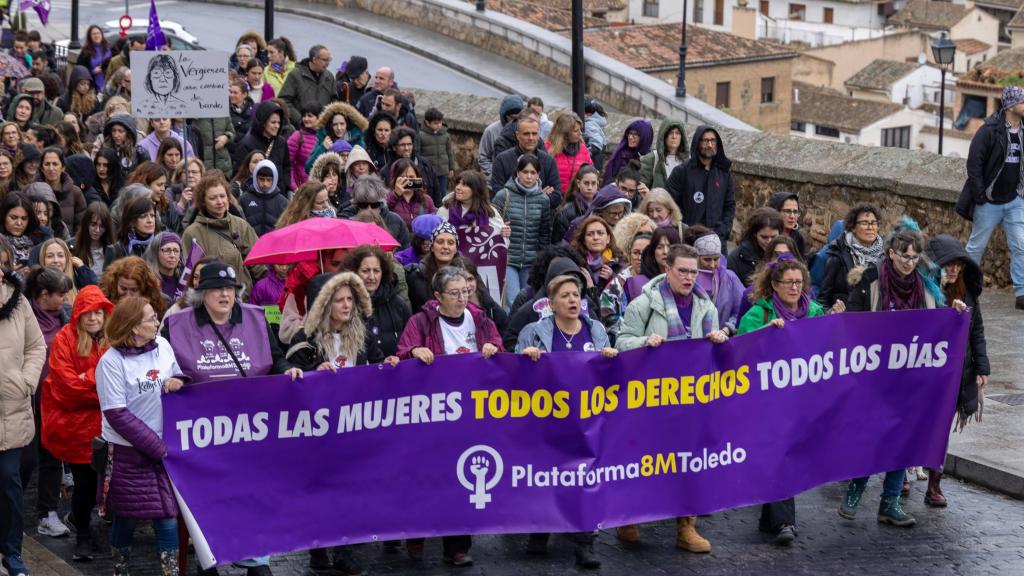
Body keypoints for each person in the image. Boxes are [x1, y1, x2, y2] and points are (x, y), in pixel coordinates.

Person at [615, 243, 726, 552]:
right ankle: (630, 516)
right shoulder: (643, 305)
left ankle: (686, 526)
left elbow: (712, 358)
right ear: (668, 269)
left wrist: (718, 342)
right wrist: (643, 342)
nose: (689, 278)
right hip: (650, 398)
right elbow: (621, 343)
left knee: (688, 461)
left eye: (694, 272)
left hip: (690, 399)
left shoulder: (708, 308)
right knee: (644, 459)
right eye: (683, 271)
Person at [839, 228, 952, 527]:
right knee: (872, 437)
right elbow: (853, 320)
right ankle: (856, 489)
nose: (909, 263)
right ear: (891, 253)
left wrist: (954, 314)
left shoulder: (925, 288)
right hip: (875, 376)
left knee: (904, 440)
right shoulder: (871, 280)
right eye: (904, 256)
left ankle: (890, 503)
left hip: (910, 379)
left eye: (914, 257)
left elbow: (937, 324)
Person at [396, 266, 504, 566]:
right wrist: (415, 352)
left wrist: (493, 348)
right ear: (438, 296)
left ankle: (456, 546)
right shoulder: (421, 321)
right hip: (432, 414)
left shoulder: (480, 319)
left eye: (465, 292)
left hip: (470, 413)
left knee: (460, 478)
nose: (461, 298)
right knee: (427, 476)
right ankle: (416, 535)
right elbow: (403, 351)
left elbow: (500, 351)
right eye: (454, 293)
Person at [736, 258, 838, 545]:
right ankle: (785, 522)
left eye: (798, 282)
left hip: (804, 401)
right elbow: (742, 352)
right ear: (774, 286)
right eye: (788, 283)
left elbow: (829, 348)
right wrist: (766, 335)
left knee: (783, 455)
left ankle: (769, 519)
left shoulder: (815, 312)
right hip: (768, 403)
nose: (794, 287)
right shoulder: (758, 314)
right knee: (782, 454)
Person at [516, 273, 614, 570]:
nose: (573, 300)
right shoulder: (534, 331)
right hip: (547, 420)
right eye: (566, 296)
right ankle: (539, 531)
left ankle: (585, 544)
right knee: (546, 477)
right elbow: (515, 375)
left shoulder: (596, 329)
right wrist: (526, 357)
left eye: (577, 295)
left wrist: (610, 357)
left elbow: (608, 376)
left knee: (585, 481)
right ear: (551, 303)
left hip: (586, 421)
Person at [95, 296, 185, 576]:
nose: (157, 321)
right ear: (134, 328)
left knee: (167, 515)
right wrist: (155, 446)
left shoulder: (163, 346)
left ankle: (169, 571)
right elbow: (117, 413)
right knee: (127, 516)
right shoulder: (110, 362)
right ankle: (120, 568)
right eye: (151, 318)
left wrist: (178, 381)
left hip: (163, 447)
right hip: (127, 453)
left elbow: (179, 374)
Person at [40, 285, 112, 561]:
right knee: (84, 485)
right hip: (76, 429)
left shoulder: (113, 338)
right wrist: (102, 382)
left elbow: (120, 385)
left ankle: (84, 523)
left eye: (98, 313)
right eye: (87, 313)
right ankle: (83, 532)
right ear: (78, 314)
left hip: (106, 426)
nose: (93, 318)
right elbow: (68, 389)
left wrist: (87, 378)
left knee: (100, 486)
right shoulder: (64, 339)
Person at [926, 234, 990, 506]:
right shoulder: (926, 290)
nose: (953, 270)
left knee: (940, 430)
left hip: (957, 372)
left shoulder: (969, 292)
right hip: (927, 373)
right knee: (920, 425)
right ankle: (900, 478)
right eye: (948, 264)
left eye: (958, 265)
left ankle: (934, 483)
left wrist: (982, 366)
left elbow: (976, 329)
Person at [957, 85, 1024, 309]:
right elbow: (973, 164)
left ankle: (1022, 293)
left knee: (1020, 245)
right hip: (989, 201)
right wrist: (980, 196)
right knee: (976, 247)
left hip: (1015, 199)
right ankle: (965, 288)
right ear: (1011, 105)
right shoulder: (989, 131)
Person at [0, 263, 47, 576]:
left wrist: (26, 380)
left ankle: (11, 552)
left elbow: (36, 346)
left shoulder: (17, 299)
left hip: (11, 409)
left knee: (9, 483)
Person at [22, 267, 73, 540]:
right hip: (27, 401)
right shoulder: (22, 316)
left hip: (56, 402)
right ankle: (11, 509)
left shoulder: (65, 318)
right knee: (25, 460)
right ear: (43, 295)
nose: (65, 299)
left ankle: (47, 514)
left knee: (53, 458)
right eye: (61, 294)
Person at [182, 171, 263, 299]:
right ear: (203, 201)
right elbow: (190, 275)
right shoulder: (192, 233)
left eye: (222, 196)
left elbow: (259, 262)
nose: (219, 201)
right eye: (213, 198)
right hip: (208, 301)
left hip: (242, 299)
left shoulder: (241, 225)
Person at [492, 154, 552, 309]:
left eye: (533, 173)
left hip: (531, 260)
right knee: (511, 301)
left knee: (527, 303)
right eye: (525, 172)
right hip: (508, 258)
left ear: (538, 174)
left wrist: (541, 260)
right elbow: (490, 224)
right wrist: (501, 229)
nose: (529, 176)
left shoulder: (543, 200)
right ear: (517, 173)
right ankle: (509, 333)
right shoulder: (503, 195)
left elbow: (545, 233)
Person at [666, 125, 736, 249]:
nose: (709, 145)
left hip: (717, 241)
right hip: (689, 242)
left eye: (712, 141)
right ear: (697, 143)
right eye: (705, 141)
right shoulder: (682, 172)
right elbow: (668, 204)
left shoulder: (724, 173)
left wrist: (724, 231)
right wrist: (683, 231)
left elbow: (729, 205)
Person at [817, 204, 884, 310]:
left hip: (875, 321)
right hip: (846, 320)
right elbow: (822, 301)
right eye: (864, 223)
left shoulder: (885, 258)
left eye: (874, 223)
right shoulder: (838, 257)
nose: (870, 227)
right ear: (853, 227)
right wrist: (832, 312)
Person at [688, 226, 744, 335]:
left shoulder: (730, 278)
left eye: (716, 259)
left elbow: (742, 309)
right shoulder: (688, 277)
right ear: (696, 257)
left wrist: (726, 330)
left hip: (723, 337)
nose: (712, 264)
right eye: (707, 260)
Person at [490, 113, 561, 197]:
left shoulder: (549, 161)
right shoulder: (501, 160)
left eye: (534, 134)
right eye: (526, 134)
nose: (531, 138)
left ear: (539, 135)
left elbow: (556, 195)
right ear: (517, 135)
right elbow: (498, 194)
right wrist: (540, 195)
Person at [600, 231, 651, 340]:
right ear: (629, 254)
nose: (640, 258)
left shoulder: (662, 280)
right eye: (636, 253)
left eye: (646, 253)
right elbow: (606, 316)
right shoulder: (617, 284)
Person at [232, 101, 291, 193]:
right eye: (273, 122)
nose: (277, 126)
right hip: (254, 196)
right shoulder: (246, 144)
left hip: (278, 195)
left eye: (279, 123)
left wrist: (285, 186)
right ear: (263, 122)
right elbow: (239, 173)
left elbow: (286, 166)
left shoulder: (281, 142)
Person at [406, 222, 461, 312]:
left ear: (456, 249)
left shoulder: (467, 274)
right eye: (440, 242)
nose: (445, 246)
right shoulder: (416, 276)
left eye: (450, 243)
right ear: (432, 247)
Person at [278, 45, 336, 128]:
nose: (328, 63)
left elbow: (334, 102)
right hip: (300, 129)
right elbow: (284, 101)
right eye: (324, 60)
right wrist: (300, 120)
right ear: (314, 59)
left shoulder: (329, 77)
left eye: (329, 60)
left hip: (322, 130)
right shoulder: (295, 75)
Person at [305, 102, 367, 174]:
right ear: (330, 126)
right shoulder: (324, 140)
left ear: (347, 124)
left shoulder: (357, 140)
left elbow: (363, 167)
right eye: (335, 124)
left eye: (342, 124)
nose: (339, 128)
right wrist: (322, 148)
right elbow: (309, 168)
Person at [727, 207, 783, 287]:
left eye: (774, 237)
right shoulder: (736, 259)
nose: (770, 241)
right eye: (764, 237)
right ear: (755, 234)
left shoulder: (786, 252)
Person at [351, 175, 410, 248]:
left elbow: (405, 250)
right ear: (357, 205)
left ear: (381, 204)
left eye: (374, 205)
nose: (369, 209)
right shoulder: (350, 223)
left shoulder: (396, 220)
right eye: (364, 205)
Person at [99, 256, 168, 320]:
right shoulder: (104, 299)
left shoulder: (159, 304)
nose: (128, 295)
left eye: (134, 290)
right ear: (115, 283)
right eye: (123, 288)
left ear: (145, 288)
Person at [39, 147, 87, 235]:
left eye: (55, 164)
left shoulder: (75, 193)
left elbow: (81, 226)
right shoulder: (32, 191)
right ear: (42, 168)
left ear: (63, 167)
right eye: (47, 164)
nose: (51, 168)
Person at [570, 215, 622, 293]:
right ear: (583, 240)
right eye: (590, 234)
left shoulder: (618, 262)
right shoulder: (574, 263)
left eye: (600, 233)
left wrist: (612, 279)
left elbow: (625, 294)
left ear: (608, 238)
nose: (595, 237)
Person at [2, 193, 50, 273]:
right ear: (3, 216)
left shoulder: (39, 240)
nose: (19, 223)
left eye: (24, 219)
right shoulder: (2, 242)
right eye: (14, 218)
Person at [239, 160, 288, 236]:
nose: (265, 184)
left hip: (274, 245)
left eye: (269, 180)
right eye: (261, 179)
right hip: (250, 245)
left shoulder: (283, 202)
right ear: (255, 178)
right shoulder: (244, 199)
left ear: (274, 179)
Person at [478, 95, 524, 178]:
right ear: (504, 116)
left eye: (519, 117)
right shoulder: (491, 131)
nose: (516, 121)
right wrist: (495, 175)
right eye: (513, 118)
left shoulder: (525, 130)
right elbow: (483, 158)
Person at [546, 111, 593, 192]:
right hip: (554, 199)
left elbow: (591, 173)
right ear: (564, 133)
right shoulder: (547, 149)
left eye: (580, 130)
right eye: (576, 131)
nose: (580, 133)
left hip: (575, 199)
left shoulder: (583, 149)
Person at [552, 165, 600, 242]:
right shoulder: (566, 211)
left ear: (598, 183)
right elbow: (559, 241)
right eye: (586, 183)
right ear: (578, 183)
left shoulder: (603, 207)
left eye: (593, 183)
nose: (590, 187)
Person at [386, 157, 437, 230]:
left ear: (417, 177)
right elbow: (382, 213)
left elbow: (435, 222)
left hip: (420, 240)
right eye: (403, 177)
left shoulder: (426, 199)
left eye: (411, 177)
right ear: (395, 178)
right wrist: (396, 194)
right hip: (398, 240)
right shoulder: (389, 198)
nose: (408, 181)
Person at [106, 196, 159, 265]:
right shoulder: (116, 250)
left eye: (152, 216)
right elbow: (109, 275)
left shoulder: (161, 246)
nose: (150, 220)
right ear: (131, 221)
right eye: (143, 216)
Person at [638, 117, 687, 190]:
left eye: (677, 133)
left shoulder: (688, 160)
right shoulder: (652, 158)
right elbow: (640, 188)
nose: (674, 137)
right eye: (670, 133)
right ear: (664, 135)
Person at [602, 119, 653, 185]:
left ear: (644, 138)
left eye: (635, 134)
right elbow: (609, 179)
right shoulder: (620, 153)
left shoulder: (650, 159)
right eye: (630, 133)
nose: (630, 137)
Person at [417, 108, 456, 195]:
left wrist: (451, 168)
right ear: (427, 122)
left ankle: (441, 208)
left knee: (442, 193)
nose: (439, 125)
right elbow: (418, 154)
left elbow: (449, 152)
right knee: (429, 193)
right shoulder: (420, 135)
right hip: (428, 172)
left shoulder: (445, 135)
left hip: (442, 171)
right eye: (435, 123)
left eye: (440, 122)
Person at [142, 232, 183, 303]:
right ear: (155, 253)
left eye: (176, 251)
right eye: (167, 250)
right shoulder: (148, 282)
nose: (172, 255)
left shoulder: (184, 281)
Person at [286, 103, 320, 188]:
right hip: (302, 188)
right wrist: (294, 187)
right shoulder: (297, 136)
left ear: (319, 118)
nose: (306, 119)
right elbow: (288, 164)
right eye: (304, 116)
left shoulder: (324, 137)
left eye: (310, 116)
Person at [768, 192, 806, 257]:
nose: (792, 216)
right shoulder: (767, 236)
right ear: (776, 212)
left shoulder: (798, 238)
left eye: (795, 212)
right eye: (788, 211)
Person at [75, 25, 112, 90]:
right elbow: (79, 69)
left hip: (109, 82)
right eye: (93, 34)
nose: (96, 36)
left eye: (98, 33)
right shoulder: (85, 51)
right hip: (93, 84)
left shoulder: (109, 48)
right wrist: (92, 72)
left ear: (102, 35)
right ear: (90, 36)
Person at [582, 97, 607, 171]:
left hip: (591, 164)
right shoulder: (595, 123)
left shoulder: (589, 125)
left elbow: (596, 144)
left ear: (587, 114)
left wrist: (584, 154)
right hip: (596, 163)